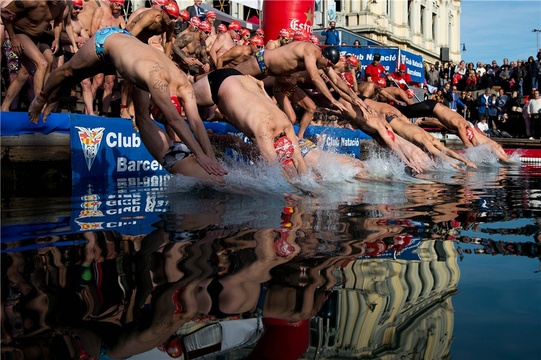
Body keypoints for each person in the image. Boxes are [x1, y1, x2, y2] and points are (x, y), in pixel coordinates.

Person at [27, 27, 227, 177]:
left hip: (130, 55)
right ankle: (42, 97)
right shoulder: (155, 81)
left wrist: (210, 158)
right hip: (107, 41)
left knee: (76, 78)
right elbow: (174, 119)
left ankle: (53, 98)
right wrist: (199, 155)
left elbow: (196, 122)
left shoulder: (184, 84)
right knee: (69, 72)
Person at [191, 68, 309, 176]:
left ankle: (212, 131)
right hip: (221, 84)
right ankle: (189, 77)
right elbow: (276, 172)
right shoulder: (264, 130)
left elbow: (299, 161)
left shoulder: (286, 123)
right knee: (182, 97)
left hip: (242, 79)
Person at [232, 42, 355, 114]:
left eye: (331, 66)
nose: (328, 67)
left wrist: (355, 98)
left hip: (277, 78)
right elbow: (314, 77)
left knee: (306, 109)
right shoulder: (310, 52)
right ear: (324, 56)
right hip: (262, 64)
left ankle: (298, 137)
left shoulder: (321, 61)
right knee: (230, 77)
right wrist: (332, 100)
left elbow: (337, 81)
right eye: (328, 64)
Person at [1, 0, 67, 111]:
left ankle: (4, 107)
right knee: (42, 63)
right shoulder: (31, 1)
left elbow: (58, 21)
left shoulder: (61, 5)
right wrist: (13, 38)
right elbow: (5, 13)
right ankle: (37, 108)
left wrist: (56, 39)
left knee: (23, 74)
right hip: (20, 33)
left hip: (36, 37)